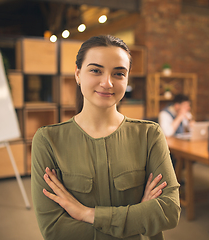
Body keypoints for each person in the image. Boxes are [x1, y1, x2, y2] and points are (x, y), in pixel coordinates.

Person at [31, 35, 180, 240]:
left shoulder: (149, 134)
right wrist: (137, 218)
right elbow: (54, 230)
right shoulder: (48, 140)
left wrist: (88, 214)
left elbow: (169, 212)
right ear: (78, 74)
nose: (107, 83)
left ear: (126, 79)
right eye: (95, 70)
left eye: (119, 73)